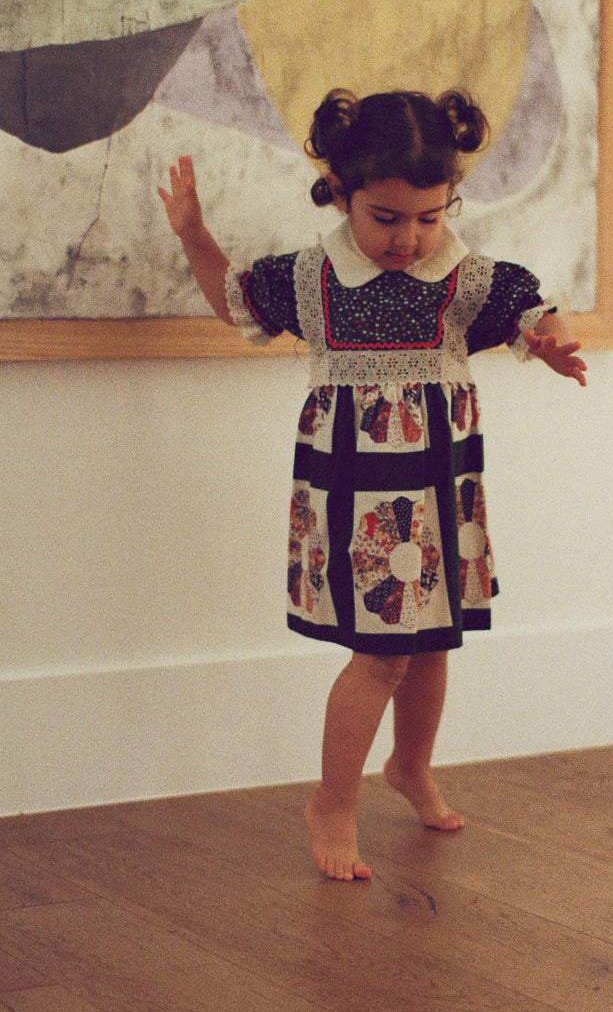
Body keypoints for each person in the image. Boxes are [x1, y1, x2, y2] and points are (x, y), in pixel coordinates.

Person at [159, 88, 586, 881]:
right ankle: (333, 799)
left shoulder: (463, 278)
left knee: (430, 642)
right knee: (382, 651)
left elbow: (531, 311)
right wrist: (193, 231)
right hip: (355, 488)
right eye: (386, 218)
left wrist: (553, 342)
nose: (410, 237)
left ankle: (409, 765)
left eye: (429, 216)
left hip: (437, 481)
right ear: (343, 194)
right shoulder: (314, 278)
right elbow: (233, 303)